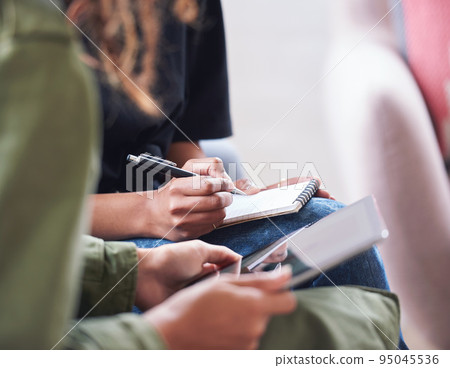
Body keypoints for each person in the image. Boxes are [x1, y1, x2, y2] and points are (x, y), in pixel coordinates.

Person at [0, 0, 402, 350]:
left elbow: (178, 132)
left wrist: (214, 184)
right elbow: (24, 222)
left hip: (162, 228)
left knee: (328, 228)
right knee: (330, 257)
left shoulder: (187, 7)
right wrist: (147, 211)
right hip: (88, 236)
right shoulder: (31, 41)